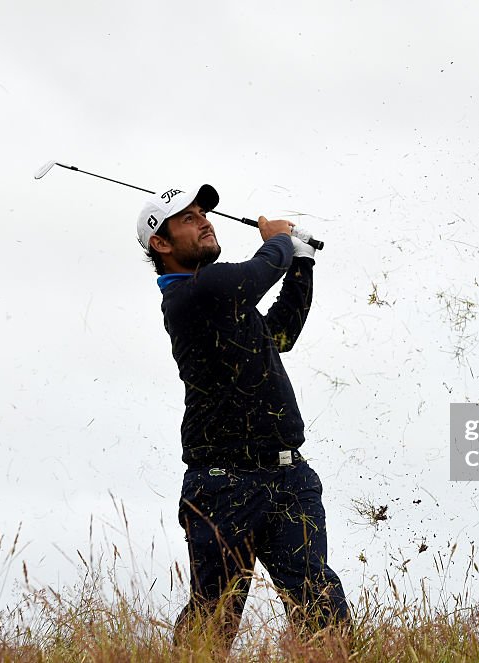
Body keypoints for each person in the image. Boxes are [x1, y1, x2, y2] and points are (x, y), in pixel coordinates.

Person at [136, 184, 350, 649]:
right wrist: (279, 241)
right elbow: (253, 276)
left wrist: (303, 263)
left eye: (203, 213)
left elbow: (281, 335)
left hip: (289, 478)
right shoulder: (190, 296)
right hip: (224, 484)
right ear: (162, 243)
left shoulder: (225, 305)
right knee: (214, 617)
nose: (205, 221)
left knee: (321, 605)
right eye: (189, 218)